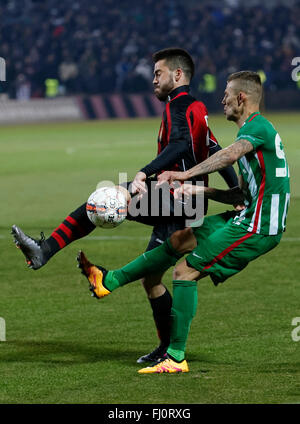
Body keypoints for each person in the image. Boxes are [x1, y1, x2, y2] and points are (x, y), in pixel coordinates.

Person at [11, 48, 238, 364]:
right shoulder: (196, 108)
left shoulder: (179, 106)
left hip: (177, 198)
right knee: (152, 278)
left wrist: (144, 173)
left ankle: (49, 252)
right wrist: (236, 189)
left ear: (178, 75)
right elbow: (215, 148)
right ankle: (167, 348)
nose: (153, 79)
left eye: (158, 73)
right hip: (186, 200)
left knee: (106, 200)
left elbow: (181, 145)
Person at [77, 70, 290, 373]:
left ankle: (176, 357)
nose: (222, 99)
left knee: (184, 271)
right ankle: (107, 282)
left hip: (259, 227)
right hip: (248, 215)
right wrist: (198, 189)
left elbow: (228, 156)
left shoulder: (256, 130)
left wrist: (184, 174)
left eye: (227, 94)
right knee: (181, 239)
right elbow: (238, 194)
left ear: (241, 98)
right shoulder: (253, 135)